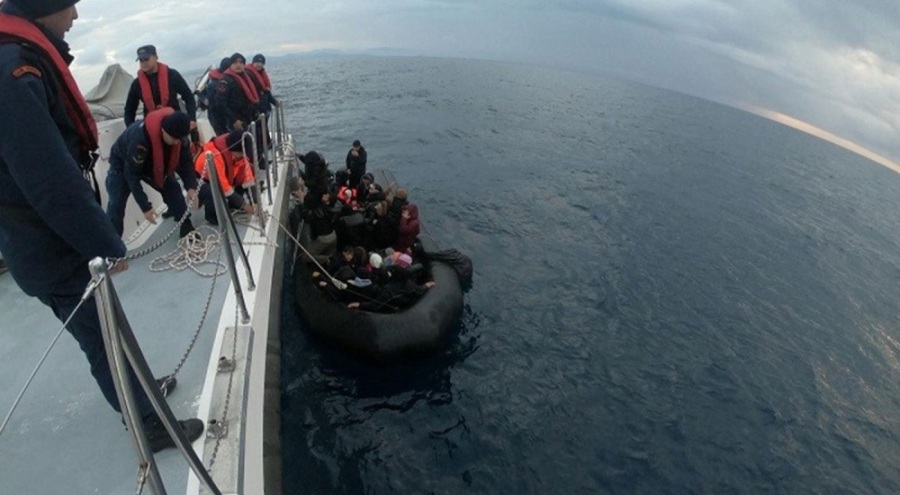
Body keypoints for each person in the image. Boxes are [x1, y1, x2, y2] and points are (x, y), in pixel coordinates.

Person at [0, 0, 202, 451]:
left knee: (111, 326)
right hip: (50, 247)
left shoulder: (18, 60)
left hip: (57, 239)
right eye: (69, 5)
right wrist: (105, 244)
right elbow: (49, 180)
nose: (75, 15)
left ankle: (143, 390)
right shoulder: (13, 71)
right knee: (102, 339)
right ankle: (148, 425)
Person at [106, 108, 198, 238]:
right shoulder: (140, 141)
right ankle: (112, 246)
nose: (177, 142)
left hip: (154, 162)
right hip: (123, 164)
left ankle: (186, 226)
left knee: (173, 189)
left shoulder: (179, 138)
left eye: (179, 139)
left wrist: (191, 187)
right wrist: (145, 207)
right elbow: (131, 175)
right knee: (116, 203)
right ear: (163, 131)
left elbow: (186, 163)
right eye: (174, 139)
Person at [122, 45, 197, 139]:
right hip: (152, 127)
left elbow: (188, 96)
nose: (144, 63)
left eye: (146, 59)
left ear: (156, 57)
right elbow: (129, 109)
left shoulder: (172, 75)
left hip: (175, 124)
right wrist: (130, 130)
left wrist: (192, 118)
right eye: (141, 60)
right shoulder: (137, 84)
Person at [195, 130, 257, 225]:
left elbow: (248, 177)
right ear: (234, 150)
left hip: (226, 174)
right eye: (242, 153)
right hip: (204, 179)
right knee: (212, 190)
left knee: (248, 171)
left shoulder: (238, 153)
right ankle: (211, 215)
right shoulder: (216, 156)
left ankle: (234, 205)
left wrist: (255, 202)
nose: (244, 155)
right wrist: (246, 207)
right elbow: (225, 188)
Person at [216, 52, 260, 133]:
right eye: (235, 62)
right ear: (230, 65)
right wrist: (234, 120)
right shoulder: (225, 81)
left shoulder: (246, 77)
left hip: (249, 116)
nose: (238, 65)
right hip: (236, 119)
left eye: (241, 62)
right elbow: (220, 103)